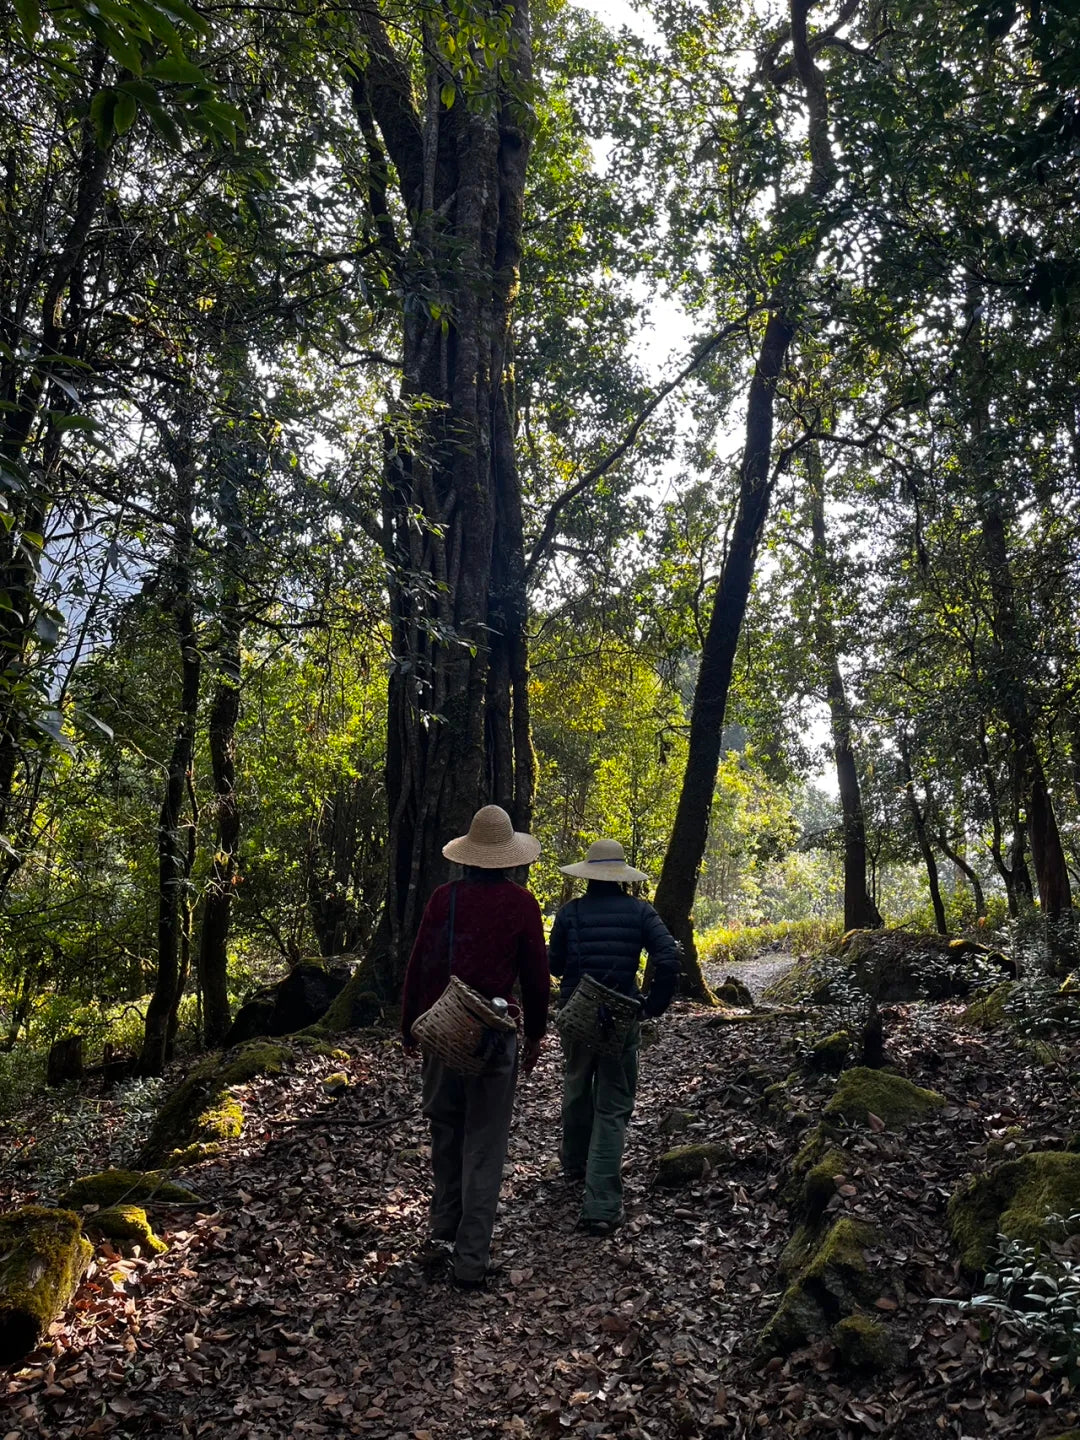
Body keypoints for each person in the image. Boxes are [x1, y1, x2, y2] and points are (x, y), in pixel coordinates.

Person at [401, 804, 549, 1289]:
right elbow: (535, 977)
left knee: (446, 1135)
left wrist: (409, 1027)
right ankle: (470, 1258)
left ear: (467, 856)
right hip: (493, 1035)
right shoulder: (521, 904)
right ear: (508, 858)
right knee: (484, 1145)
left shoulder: (444, 899)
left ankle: (442, 1234)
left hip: (443, 1034)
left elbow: (421, 964)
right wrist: (534, 1034)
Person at [549, 839, 679, 1234]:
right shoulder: (641, 912)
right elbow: (669, 956)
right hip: (620, 1016)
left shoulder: (570, 913)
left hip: (577, 1013)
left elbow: (554, 965)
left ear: (589, 874)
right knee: (613, 1104)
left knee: (575, 1086)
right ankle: (601, 1205)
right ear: (620, 876)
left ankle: (574, 1163)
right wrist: (652, 1005)